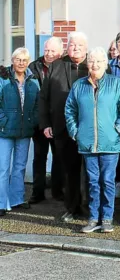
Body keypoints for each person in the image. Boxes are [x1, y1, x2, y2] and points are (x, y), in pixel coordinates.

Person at [64, 47, 120, 233]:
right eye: (92, 61)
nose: (95, 64)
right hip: (87, 142)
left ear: (106, 63)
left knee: (108, 181)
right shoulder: (79, 85)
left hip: (110, 142)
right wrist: (75, 131)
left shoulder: (116, 84)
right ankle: (93, 218)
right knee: (92, 181)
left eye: (99, 61)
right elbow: (70, 110)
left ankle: (107, 218)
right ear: (87, 64)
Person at [39, 31, 90, 222]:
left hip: (88, 129)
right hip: (61, 128)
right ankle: (71, 207)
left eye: (79, 45)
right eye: (71, 45)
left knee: (90, 171)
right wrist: (45, 124)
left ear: (86, 47)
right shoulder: (56, 66)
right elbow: (43, 97)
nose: (75, 48)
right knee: (69, 171)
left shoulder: (94, 64)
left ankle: (89, 208)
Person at [0, 48, 39, 214]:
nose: (21, 63)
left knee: (20, 166)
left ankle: (17, 198)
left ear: (28, 61)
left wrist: (33, 121)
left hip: (24, 131)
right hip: (5, 130)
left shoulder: (33, 81)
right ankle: (2, 203)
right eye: (18, 59)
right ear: (12, 60)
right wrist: (3, 120)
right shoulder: (3, 79)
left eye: (24, 60)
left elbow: (37, 105)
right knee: (3, 168)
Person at [29, 37, 64, 204]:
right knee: (39, 156)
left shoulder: (65, 66)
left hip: (58, 120)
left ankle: (58, 192)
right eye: (46, 50)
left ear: (60, 52)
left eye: (53, 51)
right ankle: (38, 192)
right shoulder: (34, 67)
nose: (49, 54)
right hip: (40, 120)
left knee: (59, 157)